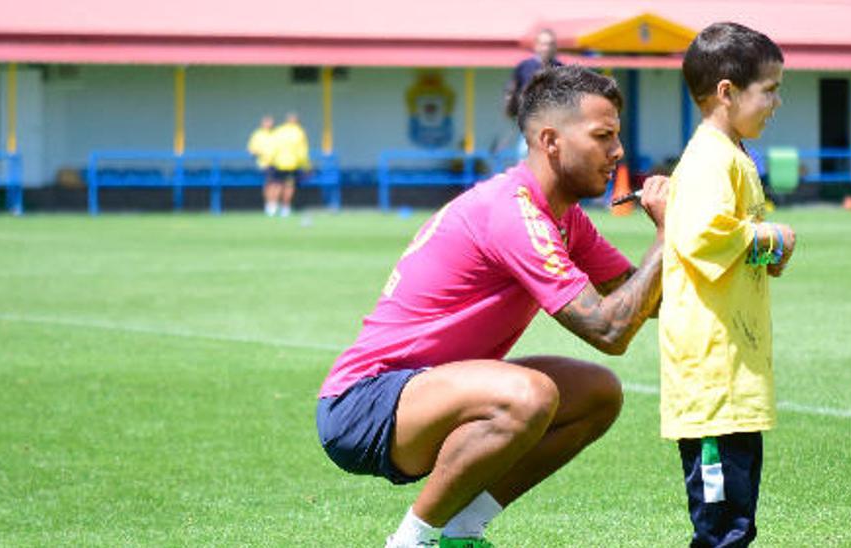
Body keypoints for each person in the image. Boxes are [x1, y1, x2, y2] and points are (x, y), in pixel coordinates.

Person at [316, 65, 668, 548]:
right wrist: (667, 238)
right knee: (529, 396)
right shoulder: (511, 210)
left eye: (617, 137)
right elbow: (609, 330)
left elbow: (644, 301)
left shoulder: (566, 219)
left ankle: (460, 531)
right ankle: (411, 541)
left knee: (597, 394)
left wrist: (715, 242)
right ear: (551, 140)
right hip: (365, 402)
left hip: (428, 394)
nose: (618, 152)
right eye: (603, 136)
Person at [659, 22, 796, 547]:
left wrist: (767, 253)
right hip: (713, 382)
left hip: (734, 375)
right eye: (770, 89)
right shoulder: (711, 159)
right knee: (721, 528)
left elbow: (735, 244)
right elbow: (702, 235)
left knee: (734, 520)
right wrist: (773, 237)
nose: (777, 102)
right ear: (726, 92)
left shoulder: (734, 155)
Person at [503, 28, 562, 158]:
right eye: (543, 44)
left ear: (555, 47)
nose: (547, 48)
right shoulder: (524, 66)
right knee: (524, 154)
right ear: (536, 46)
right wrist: (510, 109)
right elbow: (512, 89)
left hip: (554, 122)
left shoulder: (561, 68)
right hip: (529, 121)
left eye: (550, 44)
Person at [271, 112, 311, 217]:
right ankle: (285, 207)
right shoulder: (299, 132)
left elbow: (273, 147)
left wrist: (271, 160)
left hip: (278, 162)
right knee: (289, 186)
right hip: (292, 164)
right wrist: (307, 166)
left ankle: (273, 207)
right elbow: (303, 151)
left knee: (277, 185)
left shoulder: (279, 130)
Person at [247, 115, 281, 216]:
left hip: (279, 163)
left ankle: (275, 204)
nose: (269, 124)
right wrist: (260, 153)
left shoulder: (277, 134)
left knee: (278, 184)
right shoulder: (257, 134)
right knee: (269, 184)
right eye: (267, 122)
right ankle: (269, 205)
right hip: (265, 164)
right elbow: (251, 150)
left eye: (270, 122)